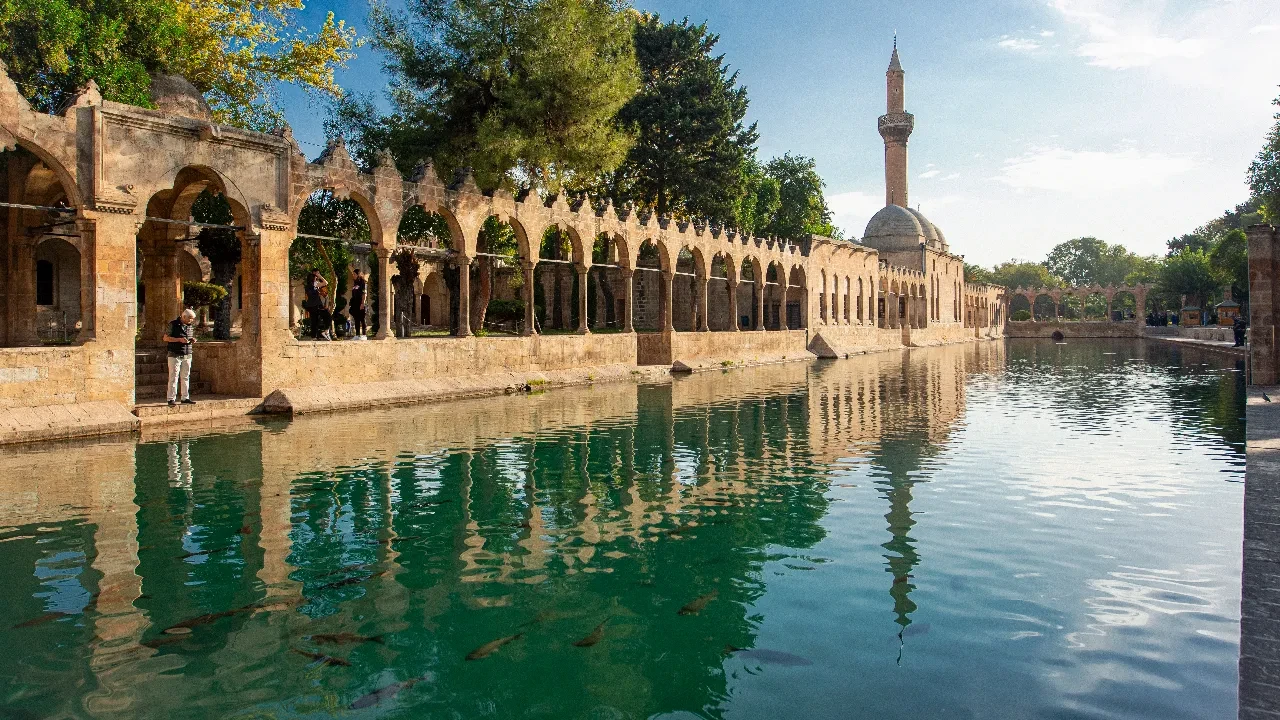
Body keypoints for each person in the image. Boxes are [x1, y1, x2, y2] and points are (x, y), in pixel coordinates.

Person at [162, 308, 197, 406]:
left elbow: (188, 337)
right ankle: (171, 399)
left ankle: (185, 397)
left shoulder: (190, 326)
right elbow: (165, 338)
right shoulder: (173, 324)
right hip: (174, 354)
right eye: (190, 318)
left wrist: (191, 339)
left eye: (192, 319)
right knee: (173, 376)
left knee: (185, 376)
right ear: (184, 316)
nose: (191, 320)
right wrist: (179, 340)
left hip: (187, 353)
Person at [304, 269, 331, 340]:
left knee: (314, 321)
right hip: (316, 305)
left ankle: (314, 337)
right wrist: (319, 276)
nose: (317, 277)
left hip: (311, 306)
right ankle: (325, 331)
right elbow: (326, 282)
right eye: (316, 275)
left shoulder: (308, 286)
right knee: (328, 316)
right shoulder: (314, 284)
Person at [350, 268, 368, 340]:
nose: (353, 275)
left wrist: (362, 303)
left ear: (358, 274)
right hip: (355, 303)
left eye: (354, 274)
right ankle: (357, 335)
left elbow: (364, 294)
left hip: (361, 303)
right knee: (356, 319)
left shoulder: (363, 282)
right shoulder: (355, 283)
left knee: (362, 318)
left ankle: (364, 335)